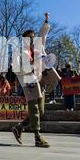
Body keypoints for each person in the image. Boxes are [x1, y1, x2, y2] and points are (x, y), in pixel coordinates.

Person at [11, 12, 51, 148]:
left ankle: (20, 127)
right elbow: (16, 69)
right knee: (34, 108)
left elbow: (43, 34)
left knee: (41, 110)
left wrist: (46, 21)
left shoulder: (37, 48)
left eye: (33, 37)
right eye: (30, 38)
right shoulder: (20, 52)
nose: (33, 39)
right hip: (28, 80)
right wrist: (31, 67)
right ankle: (37, 137)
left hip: (38, 80)